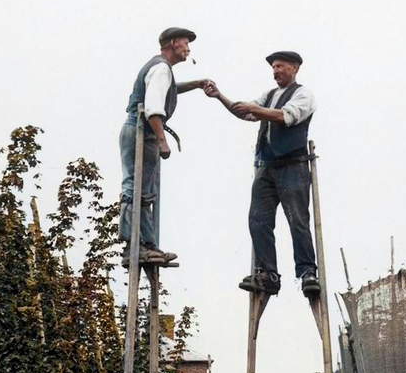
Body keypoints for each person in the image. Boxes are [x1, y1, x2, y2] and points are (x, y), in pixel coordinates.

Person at [203, 50, 320, 296]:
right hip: (266, 168)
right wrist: (220, 97)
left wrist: (255, 110)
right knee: (258, 220)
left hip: (292, 166)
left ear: (295, 68)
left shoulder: (303, 94)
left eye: (280, 66)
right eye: (274, 67)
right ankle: (268, 273)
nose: (276, 71)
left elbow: (286, 116)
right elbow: (244, 112)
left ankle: (308, 272)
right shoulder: (269, 95)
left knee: (297, 220)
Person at [119, 26, 214, 267]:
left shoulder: (162, 69)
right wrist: (162, 140)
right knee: (136, 188)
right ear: (173, 43)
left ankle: (147, 245)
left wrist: (196, 84)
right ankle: (136, 245)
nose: (188, 48)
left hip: (141, 130)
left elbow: (168, 88)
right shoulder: (161, 68)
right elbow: (153, 107)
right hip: (143, 131)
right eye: (185, 43)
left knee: (144, 189)